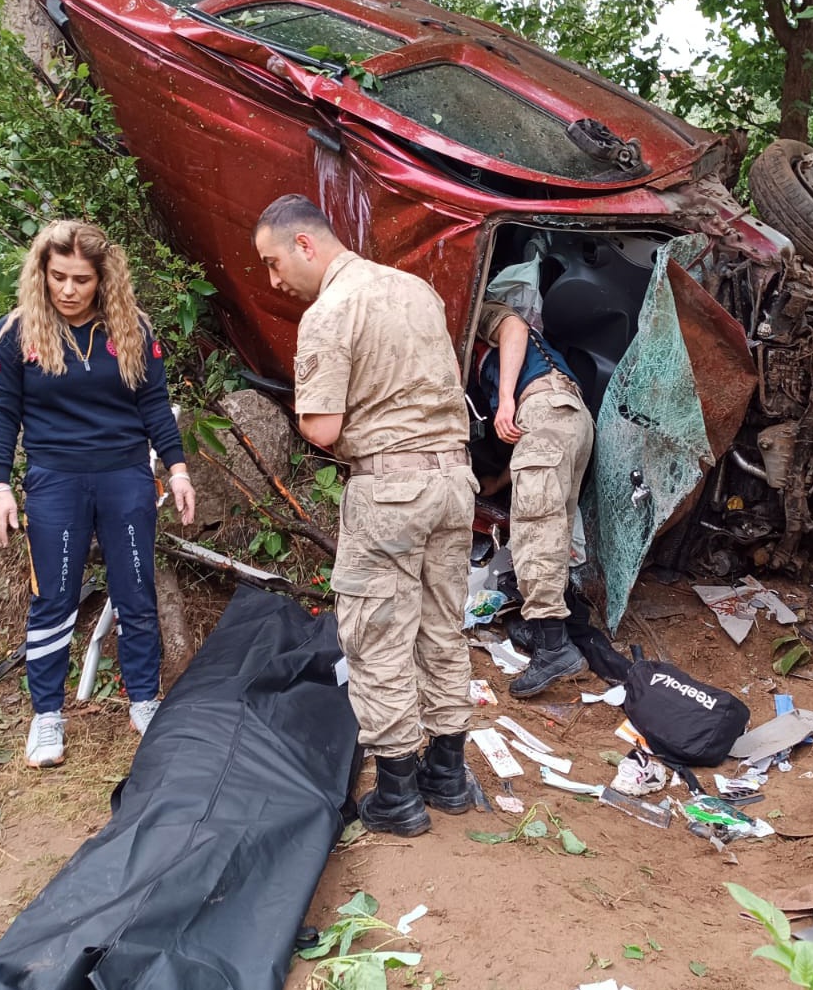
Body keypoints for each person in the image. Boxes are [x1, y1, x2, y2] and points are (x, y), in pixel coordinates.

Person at [254, 194, 477, 838]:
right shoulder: (415, 291)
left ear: (305, 245)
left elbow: (322, 429)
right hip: (453, 480)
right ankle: (448, 774)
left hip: (390, 490)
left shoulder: (331, 310)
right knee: (442, 624)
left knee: (377, 634)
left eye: (273, 262)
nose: (274, 280)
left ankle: (400, 794)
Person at [0, 219, 197, 769]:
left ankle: (145, 702)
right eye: (58, 277)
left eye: (82, 279)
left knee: (135, 590)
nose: (69, 290)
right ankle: (47, 714)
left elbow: (154, 407)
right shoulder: (16, 335)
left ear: (103, 279)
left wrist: (176, 469)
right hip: (56, 480)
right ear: (42, 274)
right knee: (52, 598)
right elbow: (1, 415)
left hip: (124, 477)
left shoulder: (131, 330)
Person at [476, 297, 594, 697]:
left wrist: (506, 398)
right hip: (568, 416)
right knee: (550, 527)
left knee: (535, 531)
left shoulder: (479, 312)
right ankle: (548, 629)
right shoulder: (546, 364)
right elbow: (538, 438)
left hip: (544, 409)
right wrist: (497, 484)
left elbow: (513, 327)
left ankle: (555, 647)